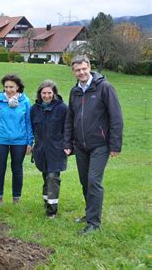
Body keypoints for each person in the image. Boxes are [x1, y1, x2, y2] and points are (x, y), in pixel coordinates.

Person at [64, 56, 123, 235]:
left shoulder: (104, 87)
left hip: (100, 145)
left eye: (84, 68)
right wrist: (68, 142)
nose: (81, 72)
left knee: (93, 181)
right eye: (77, 70)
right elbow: (70, 119)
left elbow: (116, 117)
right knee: (84, 181)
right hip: (81, 146)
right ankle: (90, 214)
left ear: (89, 67)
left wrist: (115, 145)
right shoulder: (75, 91)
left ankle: (94, 224)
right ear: (73, 71)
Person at [0, 74, 33, 207]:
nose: (8, 89)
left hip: (20, 140)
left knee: (17, 169)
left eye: (11, 87)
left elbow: (28, 122)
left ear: (17, 87)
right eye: (6, 87)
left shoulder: (25, 101)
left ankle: (16, 199)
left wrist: (30, 141)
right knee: (0, 169)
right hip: (0, 140)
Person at [30, 80, 68, 218]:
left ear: (54, 93)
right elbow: (31, 129)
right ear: (40, 94)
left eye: (49, 93)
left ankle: (52, 211)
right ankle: (47, 202)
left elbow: (68, 128)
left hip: (57, 150)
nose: (47, 96)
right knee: (46, 177)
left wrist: (67, 145)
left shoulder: (63, 108)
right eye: (44, 93)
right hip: (41, 150)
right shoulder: (34, 109)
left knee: (53, 177)